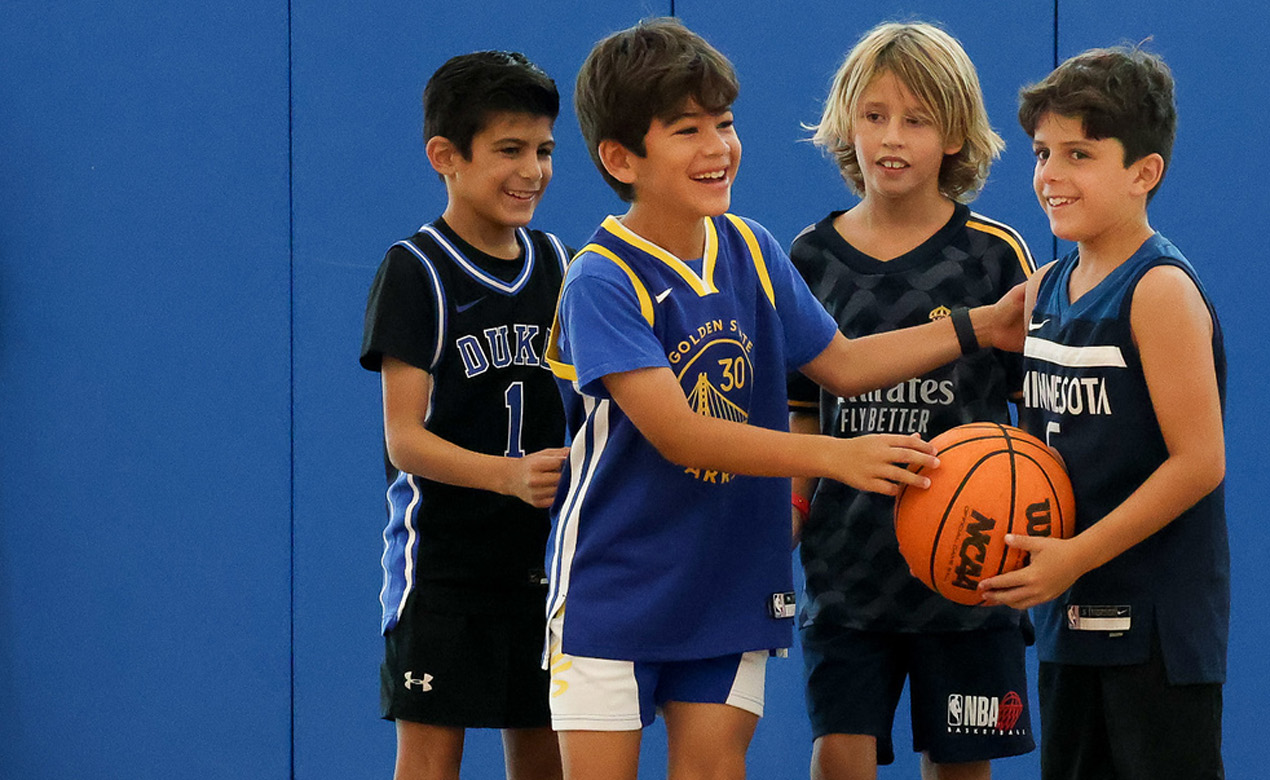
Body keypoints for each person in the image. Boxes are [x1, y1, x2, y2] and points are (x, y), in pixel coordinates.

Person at [541, 18, 1024, 780]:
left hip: (730, 581)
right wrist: (836, 457)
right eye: (687, 131)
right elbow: (681, 434)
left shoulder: (753, 249)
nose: (717, 147)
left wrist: (981, 325)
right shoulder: (601, 278)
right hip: (616, 585)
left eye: (724, 124)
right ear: (620, 157)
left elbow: (844, 364)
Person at [787, 21, 1037, 780]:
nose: (891, 138)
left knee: (960, 766)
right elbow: (802, 412)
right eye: (874, 115)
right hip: (846, 571)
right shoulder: (809, 258)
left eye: (916, 119)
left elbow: (1033, 417)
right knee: (838, 756)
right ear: (846, 123)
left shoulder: (994, 255)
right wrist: (791, 515)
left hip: (970, 568)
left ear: (955, 135)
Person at [977, 45, 1229, 780]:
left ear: (1143, 172)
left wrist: (1076, 555)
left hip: (1154, 630)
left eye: (1079, 154)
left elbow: (1199, 462)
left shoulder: (1158, 289)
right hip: (1067, 617)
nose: (1050, 175)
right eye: (1042, 153)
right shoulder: (1045, 288)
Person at [359, 50, 570, 780]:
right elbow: (404, 440)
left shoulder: (560, 264)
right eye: (509, 150)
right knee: (429, 761)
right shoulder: (416, 269)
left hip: (543, 566)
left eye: (544, 150)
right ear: (445, 156)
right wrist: (506, 476)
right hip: (443, 572)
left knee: (545, 757)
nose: (532, 170)